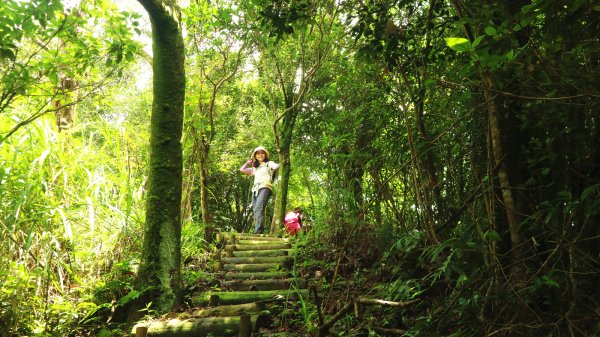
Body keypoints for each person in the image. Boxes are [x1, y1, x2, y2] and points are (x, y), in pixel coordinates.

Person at [240, 146, 279, 234]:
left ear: (265, 154)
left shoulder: (269, 163)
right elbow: (242, 169)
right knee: (256, 209)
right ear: (255, 156)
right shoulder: (255, 168)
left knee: (258, 208)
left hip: (265, 187)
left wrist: (282, 161)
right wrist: (248, 163)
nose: (260, 155)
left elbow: (276, 167)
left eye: (262, 153)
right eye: (258, 153)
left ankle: (258, 231)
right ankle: (258, 230)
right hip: (255, 189)